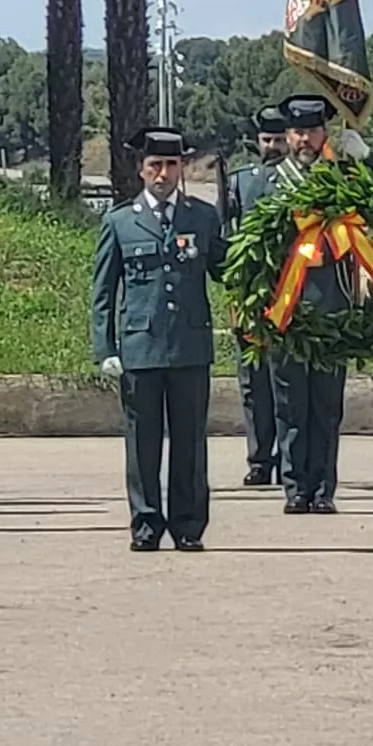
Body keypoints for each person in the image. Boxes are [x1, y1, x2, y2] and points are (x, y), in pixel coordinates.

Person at [91, 128, 227, 552]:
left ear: (182, 168)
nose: (163, 174)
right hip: (140, 350)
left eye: (170, 165)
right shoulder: (119, 222)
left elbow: (226, 269)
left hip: (189, 347)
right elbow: (103, 292)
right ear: (141, 170)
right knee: (142, 442)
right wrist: (106, 348)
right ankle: (146, 523)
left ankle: (188, 525)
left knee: (189, 442)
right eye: (155, 166)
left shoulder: (202, 218)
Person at [269, 93, 367, 515]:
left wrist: (367, 160)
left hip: (331, 311)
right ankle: (295, 489)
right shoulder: (263, 183)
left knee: (327, 408)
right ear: (287, 136)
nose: (304, 139)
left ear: (324, 134)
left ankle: (324, 488)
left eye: (311, 131)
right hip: (285, 313)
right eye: (297, 132)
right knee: (291, 408)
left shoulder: (345, 180)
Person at [225, 104, 289, 487]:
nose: (274, 146)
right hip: (250, 298)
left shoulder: (301, 179)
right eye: (267, 140)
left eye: (280, 139)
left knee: (286, 382)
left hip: (291, 293)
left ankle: (288, 458)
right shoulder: (240, 182)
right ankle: (260, 459)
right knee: (253, 383)